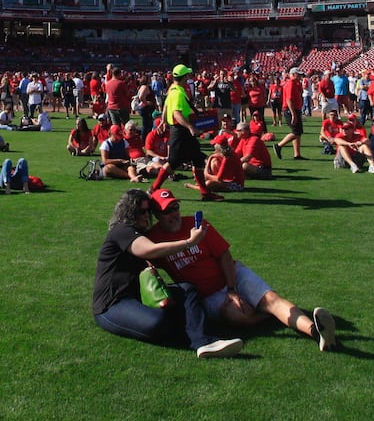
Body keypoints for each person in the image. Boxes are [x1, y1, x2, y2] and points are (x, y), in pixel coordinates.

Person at [145, 188, 338, 350]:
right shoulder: (153, 240)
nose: (173, 214)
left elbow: (225, 256)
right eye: (166, 211)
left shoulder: (197, 226)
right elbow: (145, 263)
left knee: (272, 299)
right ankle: (270, 315)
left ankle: (316, 332)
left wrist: (231, 289)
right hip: (207, 296)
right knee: (238, 317)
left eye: (175, 207)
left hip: (231, 275)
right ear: (156, 215)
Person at [90, 188, 243, 358]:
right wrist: (189, 242)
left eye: (148, 211)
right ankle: (187, 330)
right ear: (129, 212)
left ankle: (204, 342)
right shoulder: (122, 231)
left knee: (187, 289)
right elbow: (149, 251)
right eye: (141, 211)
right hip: (112, 303)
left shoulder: (143, 233)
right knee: (158, 322)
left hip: (138, 296)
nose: (145, 216)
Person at [149, 64, 221, 201]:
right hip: (181, 131)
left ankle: (205, 193)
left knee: (198, 159)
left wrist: (164, 120)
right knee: (173, 162)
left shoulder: (173, 90)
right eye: (187, 75)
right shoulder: (178, 93)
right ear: (184, 77)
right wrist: (190, 127)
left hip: (182, 131)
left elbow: (166, 106)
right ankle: (154, 189)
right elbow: (177, 114)